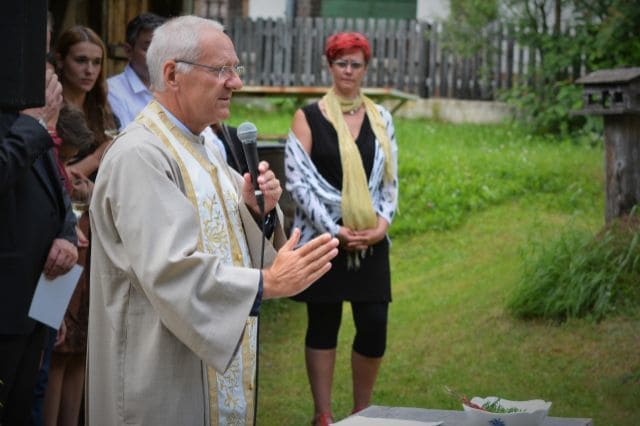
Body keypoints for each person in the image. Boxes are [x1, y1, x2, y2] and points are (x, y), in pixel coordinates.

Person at [86, 15, 339, 425]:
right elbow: (170, 268)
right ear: (172, 74)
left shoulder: (206, 146)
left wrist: (258, 214)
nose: (235, 82)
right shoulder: (141, 155)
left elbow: (226, 243)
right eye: (221, 70)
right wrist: (266, 283)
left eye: (235, 69)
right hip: (159, 375)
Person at [285, 31, 399, 425]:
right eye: (341, 63)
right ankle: (323, 414)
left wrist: (382, 225)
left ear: (365, 68)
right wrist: (333, 229)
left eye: (355, 63)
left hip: (370, 240)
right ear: (329, 65)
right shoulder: (309, 116)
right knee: (323, 323)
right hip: (324, 240)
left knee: (374, 324)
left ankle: (362, 411)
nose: (348, 70)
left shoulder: (381, 119)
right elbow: (298, 181)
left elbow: (389, 181)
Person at [0, 66, 79, 424]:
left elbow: (58, 190)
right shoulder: (28, 121)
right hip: (6, 302)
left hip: (43, 296)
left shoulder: (33, 116)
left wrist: (66, 233)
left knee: (30, 399)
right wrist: (34, 127)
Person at [41, 104, 94, 426]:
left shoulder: (62, 169)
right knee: (54, 357)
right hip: (52, 272)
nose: (68, 166)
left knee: (77, 350)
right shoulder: (46, 162)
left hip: (76, 267)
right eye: (66, 158)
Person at [107, 12, 166, 129]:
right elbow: (123, 141)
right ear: (128, 51)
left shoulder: (173, 88)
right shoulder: (112, 91)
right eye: (148, 48)